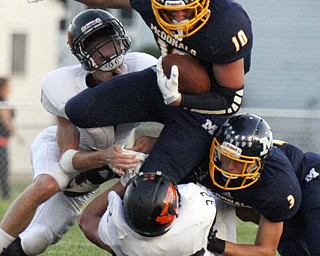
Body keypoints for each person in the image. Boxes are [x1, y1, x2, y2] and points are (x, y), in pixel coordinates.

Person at [0, 9, 157, 255]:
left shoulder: (144, 68)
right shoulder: (63, 85)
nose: (106, 49)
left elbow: (175, 121)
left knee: (37, 239)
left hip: (100, 168)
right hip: (67, 154)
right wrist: (106, 157)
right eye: (96, 44)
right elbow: (67, 160)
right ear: (82, 53)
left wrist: (148, 145)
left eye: (109, 38)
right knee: (49, 184)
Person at [63, 0, 253, 183]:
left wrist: (180, 100)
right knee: (78, 110)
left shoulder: (227, 22)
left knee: (147, 198)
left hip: (204, 111)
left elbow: (230, 101)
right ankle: (106, 168)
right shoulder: (150, 2)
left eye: (186, 10)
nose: (179, 18)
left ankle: (194, 164)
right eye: (171, 11)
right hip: (163, 83)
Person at [195, 112, 319, 255]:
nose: (229, 166)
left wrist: (212, 242)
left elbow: (265, 251)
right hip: (285, 207)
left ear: (257, 164)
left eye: (239, 161)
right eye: (226, 155)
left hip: (312, 178)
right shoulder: (201, 158)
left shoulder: (275, 185)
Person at [79, 171, 237, 256]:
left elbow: (86, 220)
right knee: (223, 205)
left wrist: (124, 182)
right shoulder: (196, 214)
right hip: (196, 244)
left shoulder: (121, 238)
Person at [0, 77, 15, 199]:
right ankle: (6, 195)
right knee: (3, 171)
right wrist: (16, 134)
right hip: (1, 142)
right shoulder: (3, 103)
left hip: (3, 141)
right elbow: (7, 121)